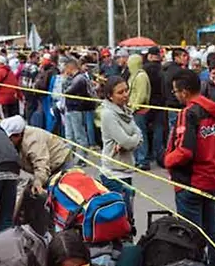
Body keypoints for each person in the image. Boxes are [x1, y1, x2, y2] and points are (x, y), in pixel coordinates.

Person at [165, 69, 215, 266]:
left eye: (176, 91)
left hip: (191, 182)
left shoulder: (189, 113)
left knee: (191, 234)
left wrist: (167, 160)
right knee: (211, 230)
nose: (176, 95)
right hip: (213, 178)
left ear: (184, 92)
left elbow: (185, 151)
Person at [99, 77, 142, 223]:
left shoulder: (125, 110)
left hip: (126, 170)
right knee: (121, 221)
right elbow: (127, 141)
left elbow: (139, 136)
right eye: (120, 92)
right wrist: (130, 141)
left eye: (126, 90)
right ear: (110, 96)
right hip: (113, 174)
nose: (125, 94)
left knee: (129, 219)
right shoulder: (108, 115)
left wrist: (131, 140)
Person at [0, 115, 74, 195]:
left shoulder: (33, 141)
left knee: (64, 196)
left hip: (61, 163)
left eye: (10, 139)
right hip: (49, 166)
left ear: (18, 135)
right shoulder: (15, 142)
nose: (7, 141)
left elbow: (41, 164)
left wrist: (38, 182)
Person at [62, 58, 96, 149]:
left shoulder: (79, 79)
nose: (65, 71)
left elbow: (67, 91)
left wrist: (65, 80)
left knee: (79, 135)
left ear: (70, 67)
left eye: (66, 68)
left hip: (77, 109)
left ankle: (82, 158)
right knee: (69, 135)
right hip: (70, 108)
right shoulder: (74, 78)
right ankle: (70, 156)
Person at [126, 54, 152, 170]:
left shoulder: (141, 76)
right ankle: (137, 158)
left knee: (141, 135)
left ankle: (143, 159)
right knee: (135, 135)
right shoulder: (134, 75)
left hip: (139, 110)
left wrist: (134, 107)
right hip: (132, 109)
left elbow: (141, 95)